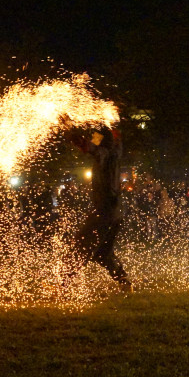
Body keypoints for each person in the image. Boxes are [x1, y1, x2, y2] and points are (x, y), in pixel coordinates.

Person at [59, 116, 131, 290]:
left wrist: (69, 130)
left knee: (80, 246)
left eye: (97, 137)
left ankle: (63, 285)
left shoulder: (104, 154)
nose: (94, 139)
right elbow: (110, 138)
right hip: (116, 211)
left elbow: (90, 147)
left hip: (105, 210)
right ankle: (124, 282)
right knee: (102, 253)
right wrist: (109, 123)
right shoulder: (116, 151)